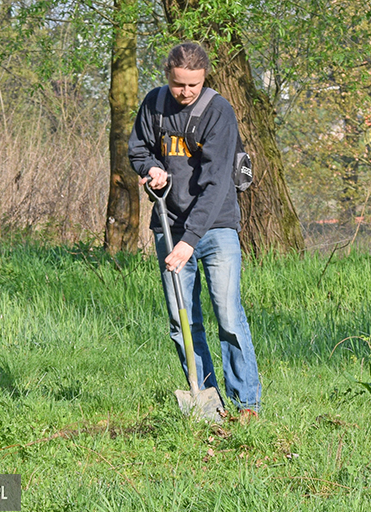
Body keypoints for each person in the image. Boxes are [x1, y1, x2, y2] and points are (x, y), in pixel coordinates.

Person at [128, 42, 261, 416]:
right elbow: (138, 149)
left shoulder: (219, 111)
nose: (185, 93)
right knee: (182, 320)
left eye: (194, 85)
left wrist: (189, 241)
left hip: (215, 227)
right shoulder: (154, 104)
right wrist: (150, 169)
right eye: (178, 85)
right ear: (168, 76)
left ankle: (245, 402)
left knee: (228, 315)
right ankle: (207, 403)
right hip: (168, 223)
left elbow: (218, 183)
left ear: (204, 79)